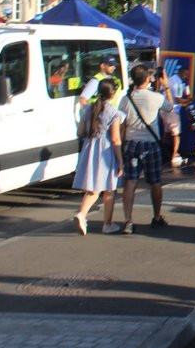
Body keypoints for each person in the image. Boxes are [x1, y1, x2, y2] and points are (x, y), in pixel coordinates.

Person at [119, 64, 174, 233]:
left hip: (131, 142)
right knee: (155, 182)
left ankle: (128, 221)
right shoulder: (155, 97)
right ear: (147, 79)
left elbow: (122, 124)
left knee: (131, 182)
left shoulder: (125, 99)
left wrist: (120, 146)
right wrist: (166, 86)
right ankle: (157, 217)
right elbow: (170, 107)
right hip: (151, 144)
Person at [71, 78, 125, 235]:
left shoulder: (89, 109)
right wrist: (120, 161)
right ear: (113, 93)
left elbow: (80, 132)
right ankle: (107, 224)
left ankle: (82, 213)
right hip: (105, 150)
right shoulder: (114, 112)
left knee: (93, 188)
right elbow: (115, 139)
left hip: (90, 147)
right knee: (109, 188)